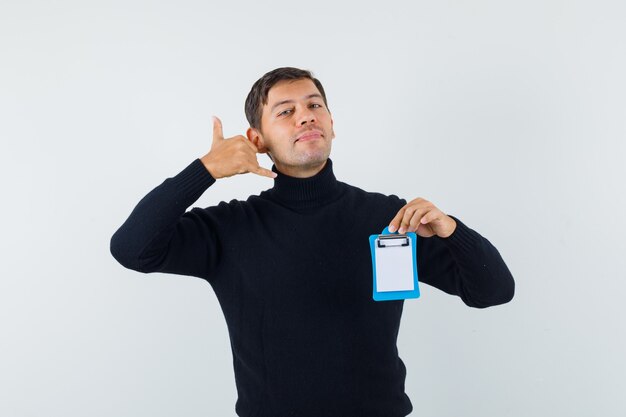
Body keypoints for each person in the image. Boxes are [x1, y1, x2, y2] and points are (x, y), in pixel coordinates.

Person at [110, 67, 515, 417]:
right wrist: (204, 171)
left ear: (332, 123)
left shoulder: (390, 219)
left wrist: (452, 231)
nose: (305, 117)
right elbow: (132, 249)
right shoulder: (230, 227)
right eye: (285, 111)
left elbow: (493, 291)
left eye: (314, 105)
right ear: (257, 139)